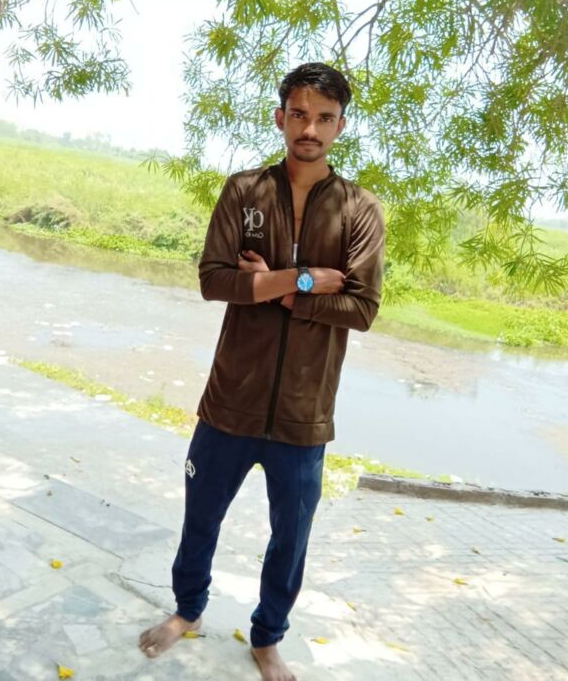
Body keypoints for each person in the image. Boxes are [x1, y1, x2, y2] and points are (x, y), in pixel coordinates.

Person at [139, 62, 386, 680]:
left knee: (290, 540)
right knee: (200, 520)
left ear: (340, 126)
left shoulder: (359, 209)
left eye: (324, 118)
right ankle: (187, 611)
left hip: (305, 414)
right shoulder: (244, 191)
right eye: (299, 114)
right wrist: (303, 279)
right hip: (229, 403)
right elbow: (214, 280)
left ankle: (267, 638)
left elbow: (361, 309)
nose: (310, 129)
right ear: (281, 118)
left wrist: (272, 287)